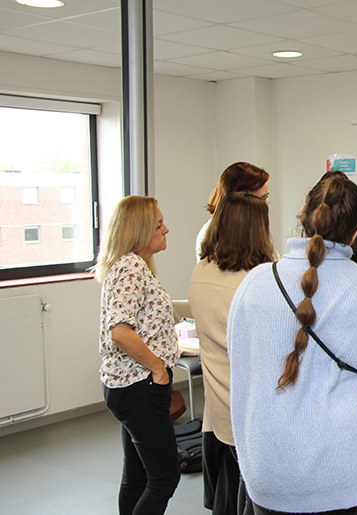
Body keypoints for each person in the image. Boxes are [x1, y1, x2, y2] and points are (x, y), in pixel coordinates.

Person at [228, 173, 357, 514]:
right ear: (355, 232)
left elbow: (241, 368)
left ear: (304, 213)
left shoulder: (253, 284)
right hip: (350, 479)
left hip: (267, 478)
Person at [188, 193, 277, 515]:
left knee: (228, 496)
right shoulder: (254, 284)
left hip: (218, 409)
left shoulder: (201, 272)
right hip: (252, 412)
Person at [92, 196, 180, 515]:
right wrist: (158, 368)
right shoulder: (130, 266)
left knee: (137, 477)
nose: (165, 230)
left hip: (125, 387)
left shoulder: (129, 266)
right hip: (139, 387)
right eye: (158, 226)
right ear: (140, 231)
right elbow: (120, 331)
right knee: (164, 478)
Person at [196, 162, 269, 260]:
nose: (266, 204)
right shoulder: (211, 235)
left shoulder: (251, 230)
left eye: (266, 197)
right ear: (240, 200)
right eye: (262, 198)